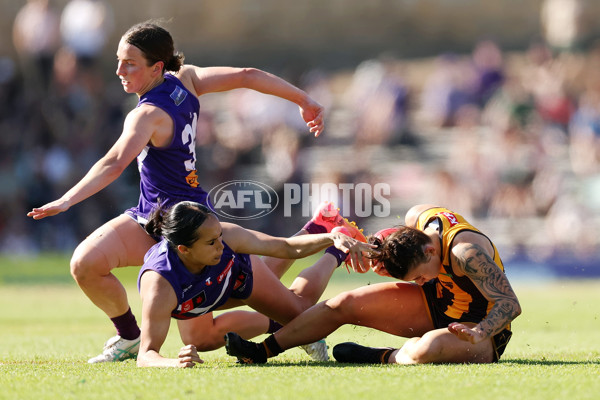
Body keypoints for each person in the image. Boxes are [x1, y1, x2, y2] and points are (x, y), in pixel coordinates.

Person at [26, 21, 325, 363]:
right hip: (150, 216)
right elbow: (246, 74)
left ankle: (294, 320)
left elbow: (114, 163)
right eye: (119, 60)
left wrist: (66, 200)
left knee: (207, 334)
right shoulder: (186, 79)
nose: (119, 70)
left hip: (189, 228)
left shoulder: (147, 115)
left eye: (130, 64)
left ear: (157, 67)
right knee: (85, 264)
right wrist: (304, 101)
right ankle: (128, 336)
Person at [225, 204, 522, 365]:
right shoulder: (417, 218)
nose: (420, 282)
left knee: (425, 349)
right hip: (438, 304)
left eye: (419, 276)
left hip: (480, 327)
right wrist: (375, 245)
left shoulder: (465, 253)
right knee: (344, 303)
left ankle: (382, 356)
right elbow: (396, 236)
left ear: (430, 251)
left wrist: (480, 331)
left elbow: (511, 304)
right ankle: (261, 352)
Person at [135, 200, 374, 368]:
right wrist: (173, 363)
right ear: (184, 250)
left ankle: (336, 251)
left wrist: (331, 239)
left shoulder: (225, 239)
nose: (221, 244)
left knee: (300, 313)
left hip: (238, 274)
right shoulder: (160, 286)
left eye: (219, 235)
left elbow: (284, 248)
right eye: (211, 242)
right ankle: (320, 224)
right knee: (200, 339)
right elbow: (146, 356)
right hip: (208, 290)